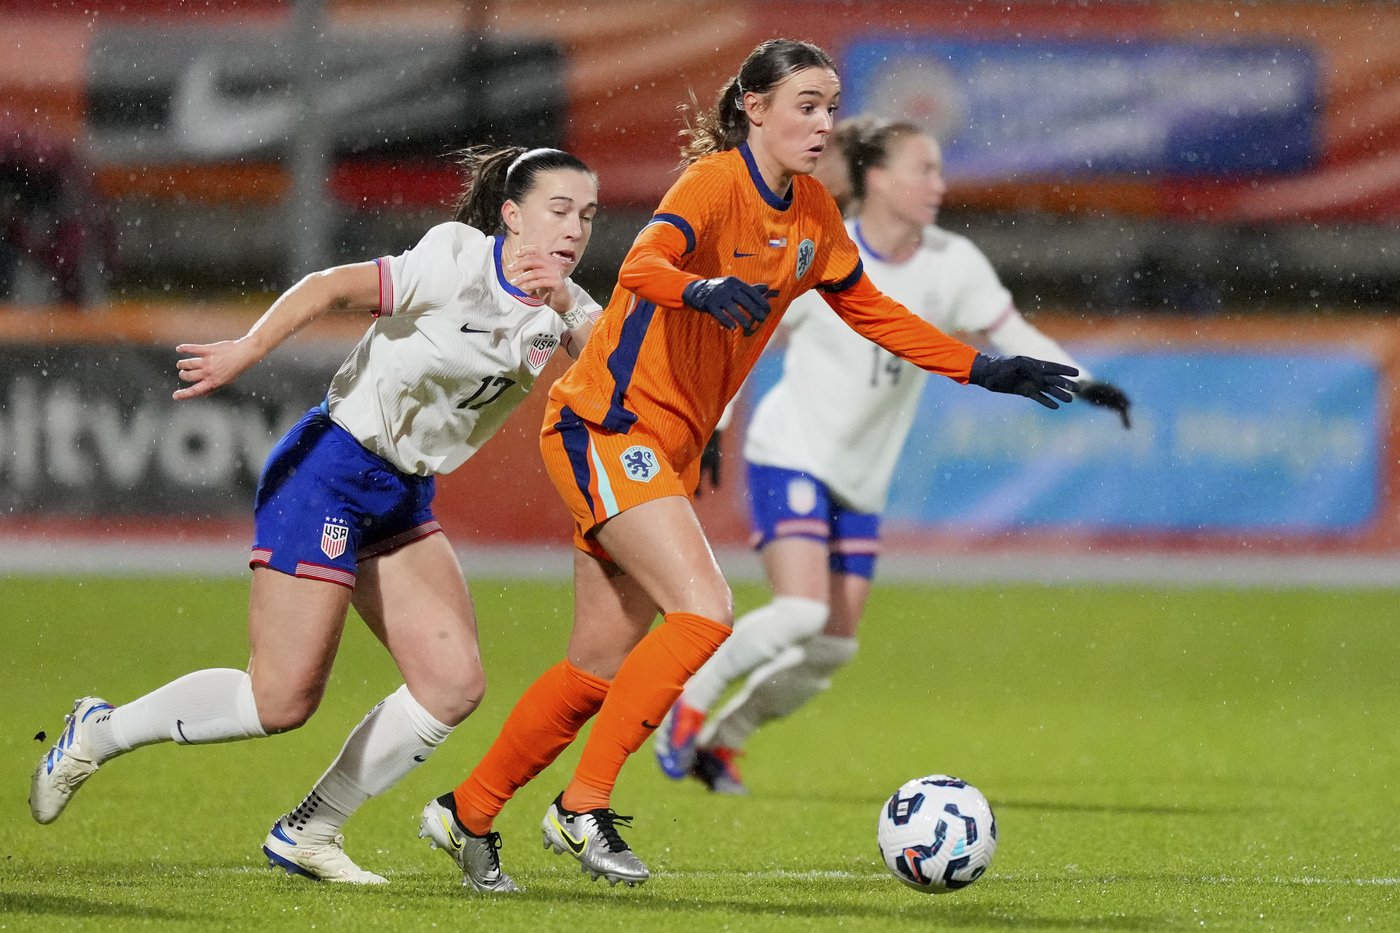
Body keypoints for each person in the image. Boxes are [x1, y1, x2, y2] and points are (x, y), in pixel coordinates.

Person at [418, 38, 1078, 891]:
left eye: (831, 107)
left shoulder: (810, 215)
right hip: (607, 423)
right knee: (705, 611)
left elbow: (873, 311)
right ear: (755, 108)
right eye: (806, 104)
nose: (823, 123)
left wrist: (985, 368)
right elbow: (645, 261)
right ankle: (581, 805)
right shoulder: (713, 183)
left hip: (663, 445)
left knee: (593, 672)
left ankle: (466, 812)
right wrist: (695, 289)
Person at [29, 146, 602, 889]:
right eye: (558, 210)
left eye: (586, 215)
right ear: (512, 215)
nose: (574, 230)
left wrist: (563, 304)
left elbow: (616, 366)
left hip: (400, 493)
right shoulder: (454, 261)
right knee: (280, 699)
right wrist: (247, 348)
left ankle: (311, 829)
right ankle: (99, 730)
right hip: (330, 471)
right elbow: (331, 286)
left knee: (453, 683)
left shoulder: (563, 303)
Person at [653, 118, 1133, 795]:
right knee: (799, 611)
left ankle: (722, 743)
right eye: (924, 169)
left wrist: (1084, 383)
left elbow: (1009, 332)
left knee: (831, 647)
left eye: (939, 171)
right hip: (790, 451)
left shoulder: (952, 263)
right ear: (875, 178)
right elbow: (746, 339)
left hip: (862, 477)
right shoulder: (821, 249)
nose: (939, 185)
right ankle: (686, 703)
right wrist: (714, 425)